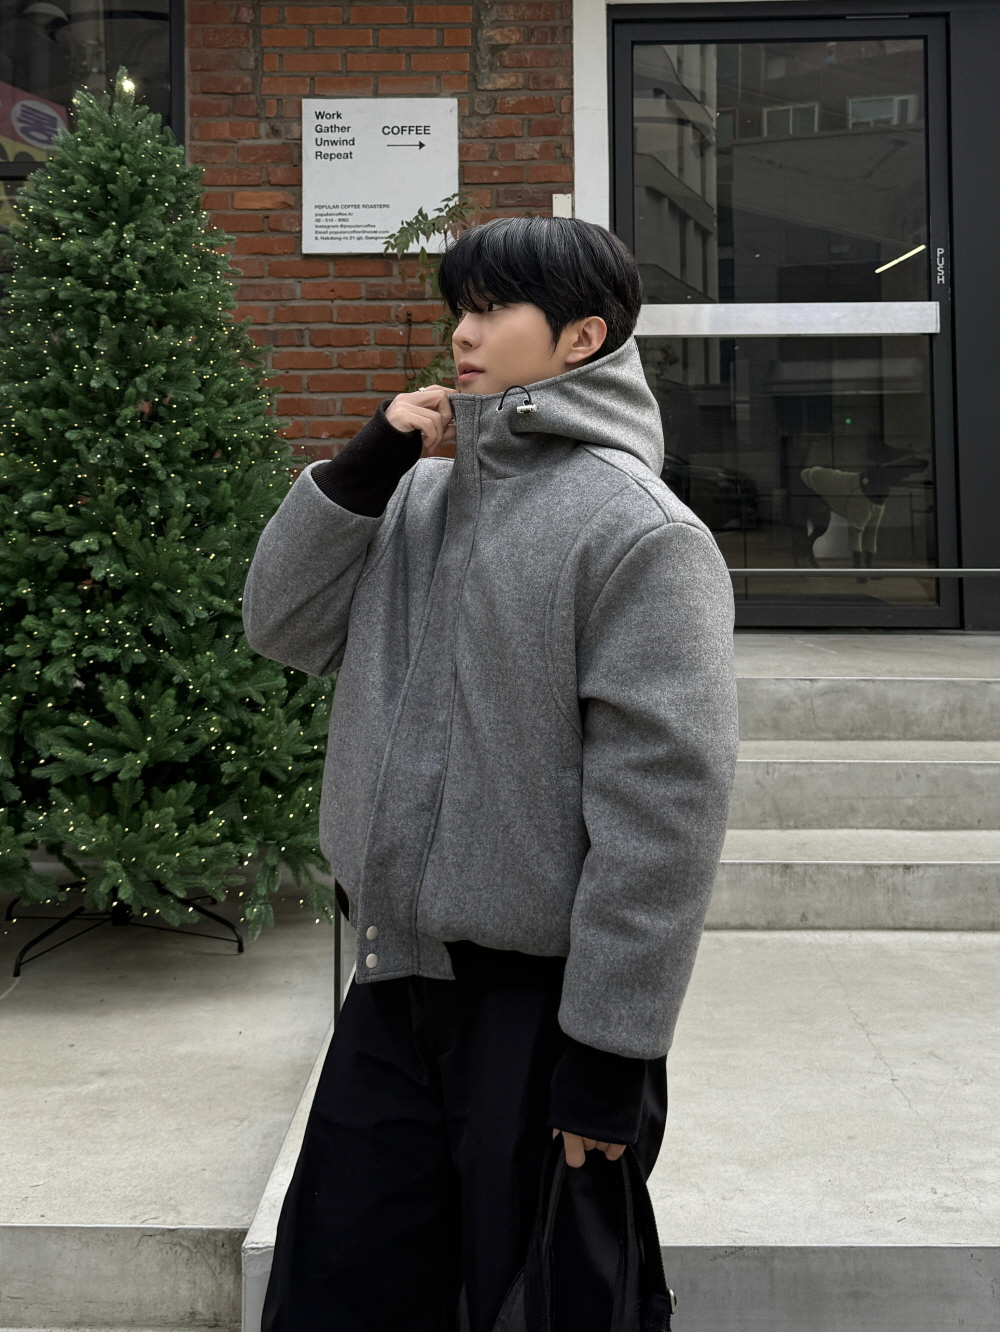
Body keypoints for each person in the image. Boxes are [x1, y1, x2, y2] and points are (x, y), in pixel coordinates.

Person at [243, 216, 739, 1332]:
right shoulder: (418, 495)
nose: (461, 335)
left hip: (541, 1018)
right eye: (456, 311)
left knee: (535, 1303)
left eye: (490, 310)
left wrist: (611, 1052)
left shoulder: (640, 533)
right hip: (392, 982)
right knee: (339, 1292)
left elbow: (663, 816)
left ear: (581, 338)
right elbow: (279, 625)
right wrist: (364, 467)